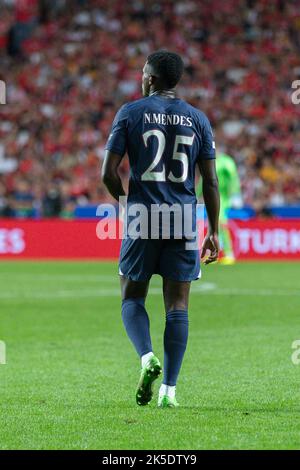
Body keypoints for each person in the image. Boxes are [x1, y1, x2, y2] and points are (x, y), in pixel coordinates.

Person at [102, 50, 220, 408]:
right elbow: (210, 182)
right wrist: (213, 230)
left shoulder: (130, 112)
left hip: (143, 214)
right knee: (178, 306)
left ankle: (145, 357)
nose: (141, 78)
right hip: (184, 218)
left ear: (151, 79)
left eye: (142, 73)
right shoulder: (198, 119)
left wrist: (126, 202)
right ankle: (169, 390)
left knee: (132, 297)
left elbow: (108, 172)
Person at [198, 151, 242, 264]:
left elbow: (233, 178)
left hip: (222, 197)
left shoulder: (226, 162)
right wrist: (197, 194)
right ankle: (215, 254)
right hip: (212, 196)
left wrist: (235, 194)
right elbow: (204, 179)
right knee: (213, 224)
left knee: (219, 222)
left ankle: (229, 253)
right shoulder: (209, 160)